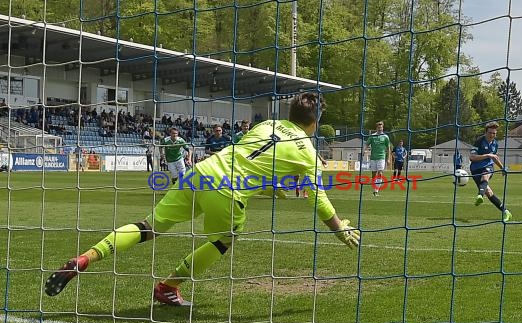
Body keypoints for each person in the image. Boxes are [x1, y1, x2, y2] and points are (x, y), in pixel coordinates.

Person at [44, 92, 361, 306]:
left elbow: (252, 160)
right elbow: (318, 200)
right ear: (315, 121)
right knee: (224, 240)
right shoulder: (307, 149)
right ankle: (169, 287)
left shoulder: (269, 124)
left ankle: (85, 258)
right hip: (227, 190)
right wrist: (340, 228)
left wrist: (270, 184)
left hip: (201, 172)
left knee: (148, 226)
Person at [469, 121, 512, 222]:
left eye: (494, 133)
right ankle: (506, 212)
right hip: (475, 169)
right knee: (489, 192)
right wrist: (488, 155)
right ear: (485, 132)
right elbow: (472, 157)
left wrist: (502, 168)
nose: (492, 135)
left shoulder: (495, 144)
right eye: (490, 133)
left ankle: (480, 195)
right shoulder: (479, 141)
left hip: (488, 167)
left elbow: (495, 158)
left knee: (485, 176)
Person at [365, 121, 391, 196]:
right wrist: (364, 150)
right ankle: (375, 188)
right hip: (373, 158)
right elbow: (367, 144)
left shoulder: (385, 137)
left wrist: (388, 158)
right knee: (373, 175)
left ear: (383, 128)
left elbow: (388, 148)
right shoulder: (372, 136)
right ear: (376, 128)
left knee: (380, 173)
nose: (380, 128)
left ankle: (376, 191)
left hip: (381, 157)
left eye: (381, 127)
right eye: (378, 127)